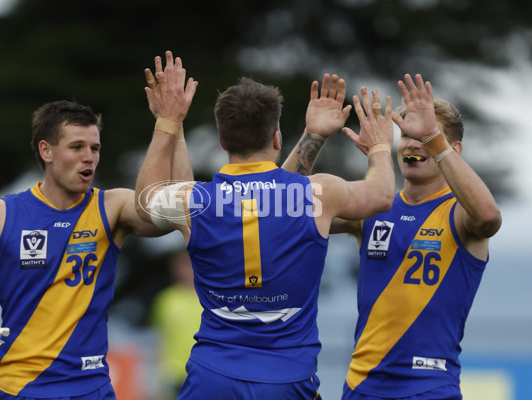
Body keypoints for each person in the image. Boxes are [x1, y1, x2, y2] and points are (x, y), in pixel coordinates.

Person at [134, 50, 396, 399]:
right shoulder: (317, 193)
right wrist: (379, 146)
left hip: (211, 379)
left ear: (223, 141)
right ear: (276, 139)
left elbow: (145, 200)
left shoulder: (194, 201)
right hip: (286, 380)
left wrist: (168, 122)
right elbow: (381, 195)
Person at [0, 92, 193, 399]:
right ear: (46, 150)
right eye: (77, 147)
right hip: (20, 389)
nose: (89, 157)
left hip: (91, 389)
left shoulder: (112, 208)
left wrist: (170, 124)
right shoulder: (0, 216)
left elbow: (182, 210)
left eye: (95, 148)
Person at [288, 74, 502, 399]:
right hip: (362, 388)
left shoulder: (459, 214)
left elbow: (489, 217)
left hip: (429, 388)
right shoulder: (373, 208)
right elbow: (279, 210)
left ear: (452, 149)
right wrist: (313, 136)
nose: (413, 143)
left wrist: (433, 140)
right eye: (407, 135)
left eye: (425, 135)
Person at [149, 249, 202, 400]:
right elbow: (159, 339)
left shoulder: (210, 299)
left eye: (189, 265)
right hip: (173, 373)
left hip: (202, 372)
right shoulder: (166, 299)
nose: (185, 270)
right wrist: (156, 376)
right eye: (181, 265)